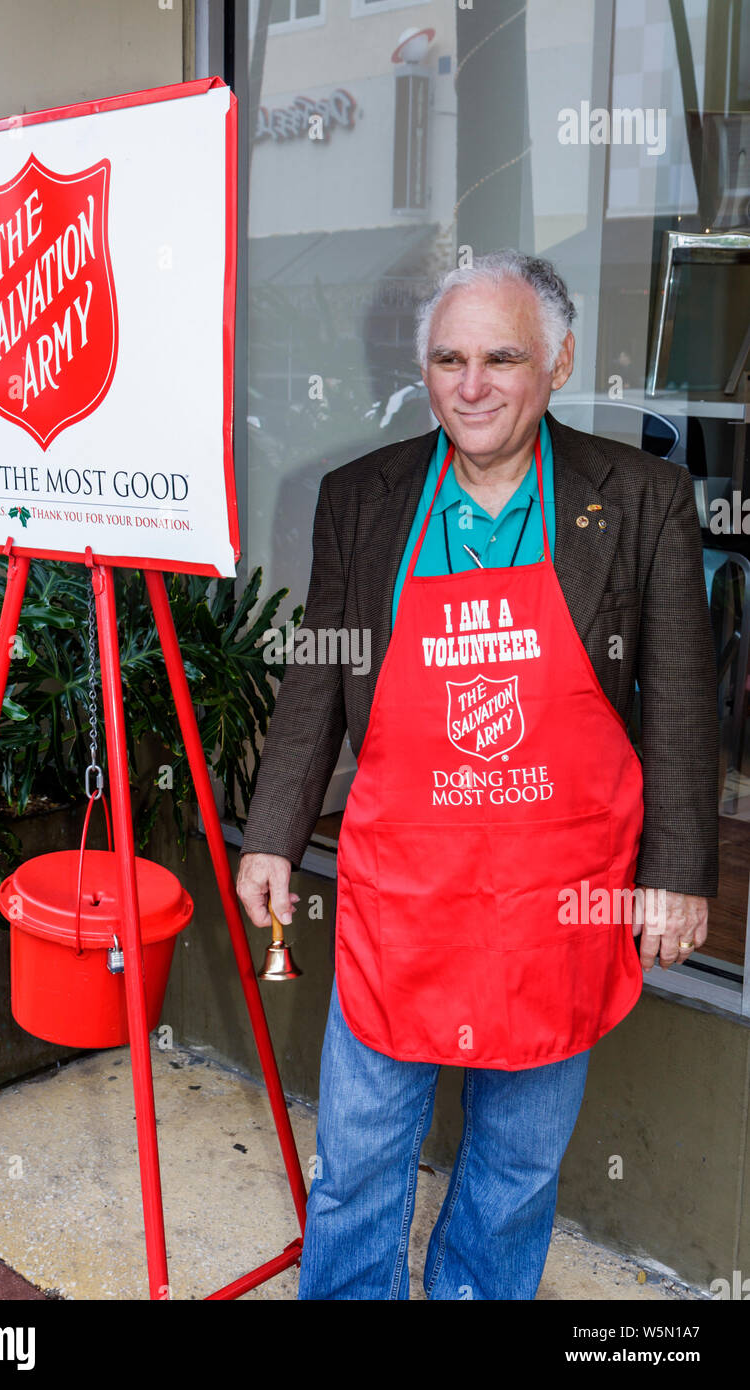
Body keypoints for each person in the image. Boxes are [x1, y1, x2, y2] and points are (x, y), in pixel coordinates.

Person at [236, 249, 719, 1300]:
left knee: (514, 1163)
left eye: (501, 357)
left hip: (562, 892)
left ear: (558, 360)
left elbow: (678, 696)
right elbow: (320, 672)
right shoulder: (361, 497)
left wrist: (676, 873)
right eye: (448, 359)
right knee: (360, 1150)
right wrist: (272, 830)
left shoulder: (636, 498)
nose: (471, 385)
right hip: (399, 888)